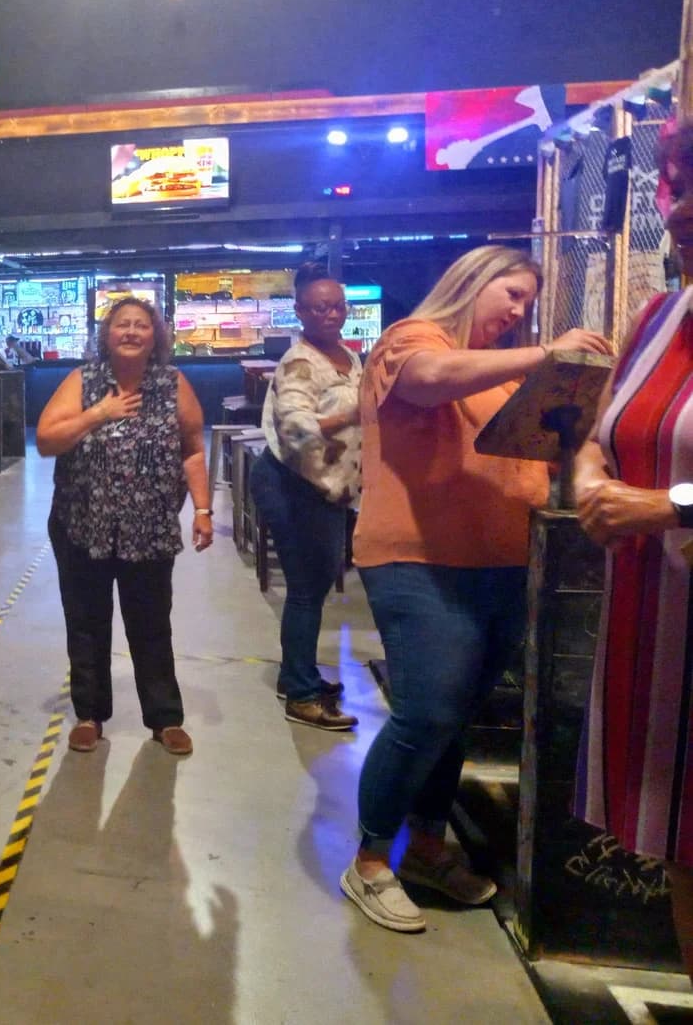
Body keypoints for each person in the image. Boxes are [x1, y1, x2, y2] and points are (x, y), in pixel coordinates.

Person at [340, 245, 612, 934]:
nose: (518, 311)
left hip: (503, 562)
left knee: (458, 715)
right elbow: (432, 379)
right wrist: (549, 354)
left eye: (528, 302)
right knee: (426, 713)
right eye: (510, 293)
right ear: (472, 281)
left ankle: (427, 844)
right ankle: (371, 858)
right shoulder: (413, 340)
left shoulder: (504, 371)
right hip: (420, 561)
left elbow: (558, 446)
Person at [573, 228, 693, 978]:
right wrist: (590, 479)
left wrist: (669, 505)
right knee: (684, 849)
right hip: (660, 627)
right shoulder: (657, 317)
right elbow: (600, 434)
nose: (680, 209)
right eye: (677, 186)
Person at [36, 296, 214, 758]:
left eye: (141, 325)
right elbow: (46, 440)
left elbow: (193, 448)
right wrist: (98, 414)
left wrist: (203, 509)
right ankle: (89, 716)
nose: (132, 332)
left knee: (151, 625)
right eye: (122, 324)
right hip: (82, 526)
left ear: (156, 337)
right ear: (107, 334)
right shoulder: (84, 381)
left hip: (149, 530)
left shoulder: (172, 384)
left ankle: (165, 718)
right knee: (86, 623)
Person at [249, 269, 361, 731]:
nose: (331, 314)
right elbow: (295, 427)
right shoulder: (299, 361)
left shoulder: (347, 355)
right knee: (305, 591)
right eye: (320, 307)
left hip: (324, 486)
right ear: (300, 312)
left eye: (337, 306)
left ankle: (297, 674)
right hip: (293, 485)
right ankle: (300, 694)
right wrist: (354, 413)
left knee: (313, 588)